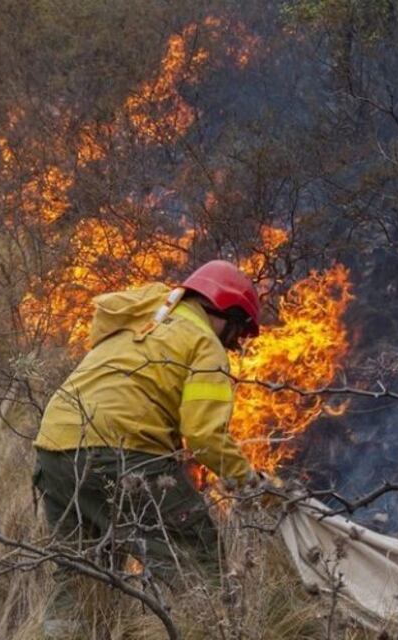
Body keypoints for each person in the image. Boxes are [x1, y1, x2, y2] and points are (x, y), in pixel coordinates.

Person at [33, 260, 263, 636]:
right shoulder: (205, 345)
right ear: (225, 313)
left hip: (54, 448)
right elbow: (204, 437)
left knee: (80, 578)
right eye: (236, 334)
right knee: (200, 561)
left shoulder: (141, 319)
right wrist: (251, 483)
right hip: (120, 455)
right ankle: (218, 631)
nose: (233, 345)